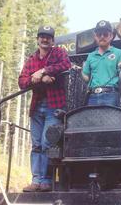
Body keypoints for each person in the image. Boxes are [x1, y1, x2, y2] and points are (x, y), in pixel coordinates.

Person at [19, 26, 71, 192]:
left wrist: (43, 70)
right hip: (36, 107)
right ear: (37, 39)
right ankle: (36, 180)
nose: (45, 39)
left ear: (53, 40)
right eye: (42, 36)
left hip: (54, 106)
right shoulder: (32, 58)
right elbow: (22, 81)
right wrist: (41, 78)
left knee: (47, 142)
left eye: (48, 37)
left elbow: (65, 64)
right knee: (36, 144)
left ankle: (46, 180)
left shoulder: (59, 53)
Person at [82, 20, 121, 106]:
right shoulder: (90, 56)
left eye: (105, 34)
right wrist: (79, 70)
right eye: (99, 34)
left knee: (110, 120)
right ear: (95, 37)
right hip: (92, 96)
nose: (102, 37)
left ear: (111, 36)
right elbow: (86, 78)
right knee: (92, 120)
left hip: (111, 95)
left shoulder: (119, 53)